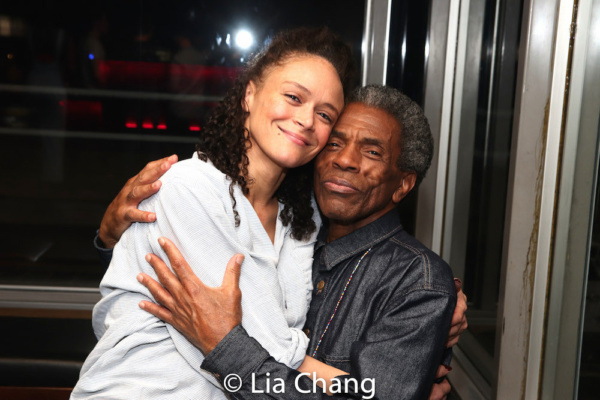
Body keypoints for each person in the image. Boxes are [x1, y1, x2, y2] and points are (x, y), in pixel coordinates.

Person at [97, 85, 469, 399]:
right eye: (334, 143)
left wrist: (223, 346)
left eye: (372, 152)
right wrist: (110, 233)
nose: (345, 161)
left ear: (403, 184)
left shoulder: (415, 282)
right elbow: (150, 285)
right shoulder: (287, 233)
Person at [72, 27, 354, 399]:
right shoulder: (188, 188)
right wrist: (368, 392)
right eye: (293, 97)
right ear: (250, 95)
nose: (306, 120)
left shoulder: (303, 220)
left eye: (325, 114)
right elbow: (261, 344)